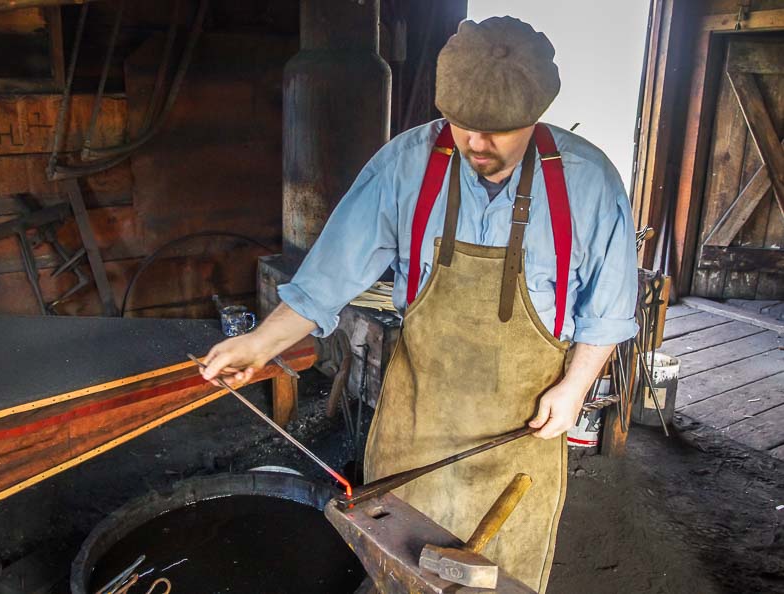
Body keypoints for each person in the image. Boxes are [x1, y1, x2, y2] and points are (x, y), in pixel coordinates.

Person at [200, 16, 638, 593]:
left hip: (520, 439)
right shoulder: (406, 165)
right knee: (400, 574)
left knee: (501, 581)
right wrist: (260, 342)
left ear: (535, 116)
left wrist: (575, 388)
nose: (476, 144)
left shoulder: (589, 183)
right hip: (416, 429)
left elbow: (607, 312)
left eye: (497, 131)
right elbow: (323, 281)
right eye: (463, 127)